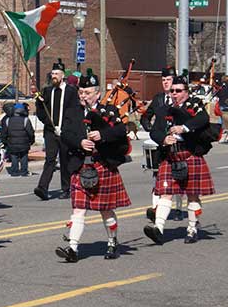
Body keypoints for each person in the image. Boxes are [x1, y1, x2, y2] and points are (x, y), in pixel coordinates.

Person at [54, 71, 131, 262]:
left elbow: (122, 130)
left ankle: (112, 243)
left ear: (97, 94)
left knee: (105, 209)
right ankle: (72, 248)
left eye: (87, 93)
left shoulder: (108, 111)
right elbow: (66, 135)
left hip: (102, 164)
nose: (83, 96)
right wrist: (80, 142)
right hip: (81, 165)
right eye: (81, 92)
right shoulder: (73, 112)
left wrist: (102, 136)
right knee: (78, 209)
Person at [143, 73, 216, 245]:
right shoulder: (164, 109)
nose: (174, 93)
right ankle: (158, 229)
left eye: (178, 90)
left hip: (189, 154)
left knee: (192, 196)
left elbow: (203, 119)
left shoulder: (194, 105)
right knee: (165, 193)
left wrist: (183, 128)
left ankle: (192, 229)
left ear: (186, 92)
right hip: (170, 156)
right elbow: (155, 131)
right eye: (172, 90)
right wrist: (163, 139)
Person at [140, 66, 185, 222]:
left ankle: (179, 208)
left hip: (177, 142)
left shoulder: (180, 98)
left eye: (169, 80)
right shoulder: (158, 98)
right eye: (164, 80)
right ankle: (156, 209)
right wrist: (151, 129)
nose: (166, 83)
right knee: (158, 175)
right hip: (160, 142)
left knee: (179, 175)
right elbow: (146, 117)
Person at [34, 59, 79, 200]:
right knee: (50, 159)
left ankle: (66, 189)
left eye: (56, 73)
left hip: (65, 131)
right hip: (51, 131)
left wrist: (65, 128)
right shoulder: (47, 91)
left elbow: (74, 112)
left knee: (65, 159)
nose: (54, 76)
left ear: (62, 75)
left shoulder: (71, 91)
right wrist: (48, 123)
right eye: (52, 73)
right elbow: (41, 110)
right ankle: (42, 188)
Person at [1, 102, 35, 176]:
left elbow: (4, 133)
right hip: (24, 142)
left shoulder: (8, 120)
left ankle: (14, 171)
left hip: (12, 142)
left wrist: (5, 142)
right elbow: (30, 132)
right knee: (24, 156)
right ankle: (24, 171)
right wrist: (32, 141)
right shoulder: (26, 120)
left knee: (14, 156)